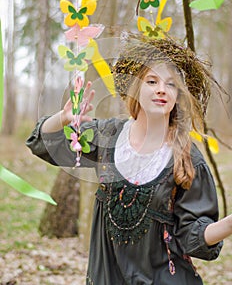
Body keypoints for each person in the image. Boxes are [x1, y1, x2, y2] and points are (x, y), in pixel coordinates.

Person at [26, 34, 232, 285]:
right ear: (136, 88)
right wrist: (64, 117)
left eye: (171, 84)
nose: (161, 89)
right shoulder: (109, 136)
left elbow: (192, 237)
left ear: (177, 95)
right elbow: (43, 143)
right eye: (152, 80)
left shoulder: (188, 159)